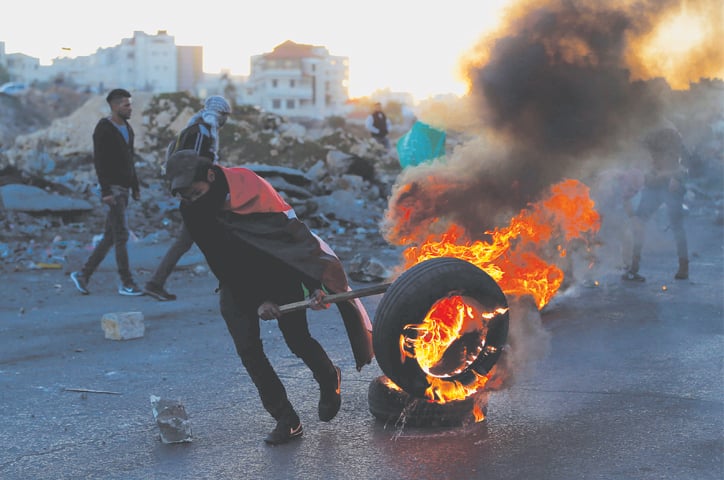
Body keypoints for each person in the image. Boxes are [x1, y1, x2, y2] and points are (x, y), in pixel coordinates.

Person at [163, 149, 374, 445]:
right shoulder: (192, 208)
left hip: (278, 270)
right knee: (249, 350)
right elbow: (219, 259)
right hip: (234, 279)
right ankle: (286, 418)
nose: (192, 201)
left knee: (297, 338)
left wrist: (315, 286)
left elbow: (294, 239)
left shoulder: (251, 189)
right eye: (185, 197)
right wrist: (258, 300)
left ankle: (329, 377)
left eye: (195, 193)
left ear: (210, 175)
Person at [143, 95, 232, 301]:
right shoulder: (202, 131)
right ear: (219, 114)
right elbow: (196, 162)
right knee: (216, 239)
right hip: (198, 195)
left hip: (191, 193)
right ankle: (233, 285)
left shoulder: (190, 130)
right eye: (225, 116)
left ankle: (155, 283)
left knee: (186, 241)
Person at [70, 88, 143, 296]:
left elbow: (130, 160)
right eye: (126, 104)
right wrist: (105, 191)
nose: (130, 108)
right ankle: (126, 282)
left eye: (130, 104)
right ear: (115, 106)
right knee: (121, 235)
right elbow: (99, 162)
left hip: (125, 189)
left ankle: (83, 275)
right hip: (113, 190)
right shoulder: (103, 128)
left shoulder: (127, 128)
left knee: (110, 236)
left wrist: (135, 186)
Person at [622, 127, 689, 282]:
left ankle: (683, 266)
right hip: (653, 185)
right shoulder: (648, 138)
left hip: (670, 187)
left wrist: (676, 178)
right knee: (639, 222)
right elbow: (643, 165)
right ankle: (633, 266)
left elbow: (686, 168)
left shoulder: (674, 138)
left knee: (677, 226)